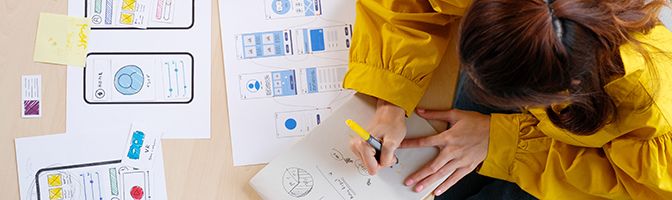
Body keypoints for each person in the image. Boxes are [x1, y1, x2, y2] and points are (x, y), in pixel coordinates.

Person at [344, 0, 672, 199]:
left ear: (567, 90)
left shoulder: (647, 100)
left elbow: (638, 186)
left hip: (580, 160)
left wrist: (505, 142)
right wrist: (390, 100)